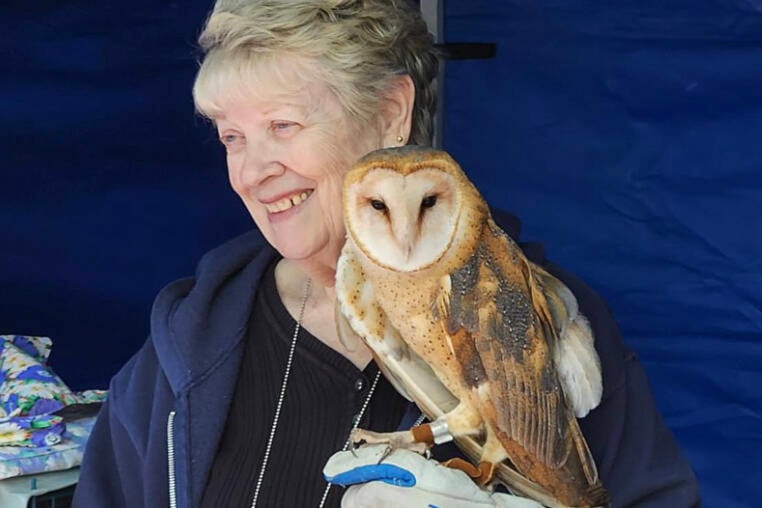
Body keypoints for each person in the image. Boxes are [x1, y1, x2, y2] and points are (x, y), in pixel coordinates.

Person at [72, 1, 700, 507]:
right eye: (232, 137)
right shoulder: (185, 348)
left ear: (391, 113)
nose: (253, 170)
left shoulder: (542, 316)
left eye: (283, 126)